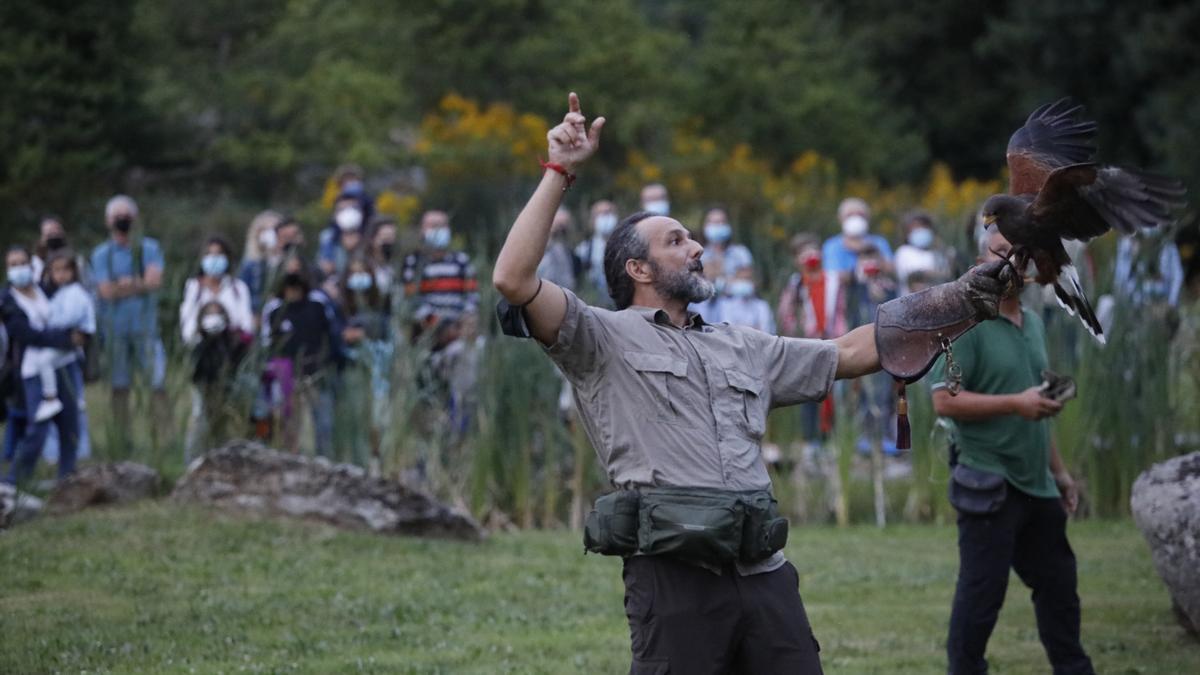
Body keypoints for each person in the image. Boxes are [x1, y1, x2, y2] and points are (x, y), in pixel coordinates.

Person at [492, 93, 1008, 673]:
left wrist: (964, 296)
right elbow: (513, 279)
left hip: (764, 576)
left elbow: (851, 350)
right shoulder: (598, 338)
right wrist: (562, 171)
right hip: (676, 581)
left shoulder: (742, 343)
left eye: (693, 238)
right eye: (677, 240)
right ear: (638, 270)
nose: (698, 247)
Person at [930, 227, 1094, 675]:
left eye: (1021, 254)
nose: (1012, 263)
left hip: (1037, 484)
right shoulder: (966, 323)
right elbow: (944, 400)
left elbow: (1035, 406)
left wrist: (1059, 473)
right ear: (982, 259)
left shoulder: (1035, 323)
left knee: (1060, 588)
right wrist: (1015, 404)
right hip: (987, 479)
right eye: (1001, 253)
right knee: (982, 598)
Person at [2, 245, 86, 485]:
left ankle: (67, 477)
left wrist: (81, 336)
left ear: (31, 265)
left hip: (64, 365)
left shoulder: (45, 290)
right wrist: (66, 340)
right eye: (13, 264)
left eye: (22, 263)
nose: (18, 268)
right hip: (34, 370)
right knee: (37, 430)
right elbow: (26, 334)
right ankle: (14, 482)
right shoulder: (7, 301)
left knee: (70, 424)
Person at [90, 195, 166, 430]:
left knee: (157, 383)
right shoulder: (101, 253)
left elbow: (154, 282)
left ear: (135, 218)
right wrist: (138, 283)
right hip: (114, 330)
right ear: (107, 221)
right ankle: (123, 436)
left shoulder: (150, 247)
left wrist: (123, 284)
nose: (122, 220)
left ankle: (163, 436)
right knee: (119, 386)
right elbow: (105, 291)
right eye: (117, 216)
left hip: (146, 328)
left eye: (126, 215)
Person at [261, 265, 342, 456]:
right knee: (287, 423)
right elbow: (267, 346)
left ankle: (325, 462)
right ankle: (288, 459)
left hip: (317, 374)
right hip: (286, 376)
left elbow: (331, 337)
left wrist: (326, 365)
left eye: (296, 286)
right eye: (288, 286)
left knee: (323, 424)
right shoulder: (274, 310)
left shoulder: (317, 305)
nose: (292, 291)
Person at [777, 234, 846, 444]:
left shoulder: (834, 281)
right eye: (803, 253)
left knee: (837, 393)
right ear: (796, 259)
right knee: (809, 393)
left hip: (834, 343)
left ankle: (835, 438)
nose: (810, 256)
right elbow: (786, 315)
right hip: (806, 345)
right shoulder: (795, 285)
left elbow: (842, 311)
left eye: (813, 250)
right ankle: (811, 441)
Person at [21, 252, 96, 423]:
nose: (61, 275)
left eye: (65, 270)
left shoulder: (75, 292)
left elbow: (68, 318)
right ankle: (73, 399)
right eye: (56, 271)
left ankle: (51, 398)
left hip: (72, 339)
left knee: (44, 361)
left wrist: (48, 326)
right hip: (63, 339)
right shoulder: (58, 292)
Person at [337, 256, 393, 467]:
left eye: (363, 272)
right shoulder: (339, 308)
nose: (358, 277)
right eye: (354, 272)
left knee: (379, 422)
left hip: (379, 376)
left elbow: (388, 334)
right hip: (351, 374)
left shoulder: (382, 307)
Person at [401, 210, 479, 343]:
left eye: (441, 226)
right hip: (426, 334)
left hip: (460, 330)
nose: (438, 230)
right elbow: (412, 300)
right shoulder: (413, 262)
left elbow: (472, 296)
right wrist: (438, 325)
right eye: (433, 226)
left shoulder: (461, 261)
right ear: (422, 230)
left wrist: (466, 321)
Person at [184, 301, 250, 459]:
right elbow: (195, 375)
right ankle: (193, 460)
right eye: (209, 314)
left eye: (217, 314)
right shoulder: (199, 345)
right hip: (205, 391)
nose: (214, 318)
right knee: (201, 422)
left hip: (228, 392)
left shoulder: (234, 343)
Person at [180, 237, 254, 346]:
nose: (214, 258)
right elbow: (187, 322)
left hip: (231, 349)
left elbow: (246, 324)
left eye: (219, 254)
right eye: (209, 254)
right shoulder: (194, 287)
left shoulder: (238, 288)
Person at [821, 197, 893, 281]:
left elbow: (891, 270)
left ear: (867, 218)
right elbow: (833, 275)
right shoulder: (832, 245)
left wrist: (872, 251)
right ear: (840, 219)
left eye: (860, 215)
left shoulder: (879, 242)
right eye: (850, 215)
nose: (855, 218)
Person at [238, 210, 286, 316]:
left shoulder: (288, 263)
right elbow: (243, 295)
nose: (269, 234)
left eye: (273, 229)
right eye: (265, 230)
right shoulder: (250, 265)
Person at [698, 207, 754, 294]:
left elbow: (747, 280)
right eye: (714, 223)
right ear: (705, 226)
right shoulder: (700, 254)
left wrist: (717, 280)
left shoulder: (740, 252)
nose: (718, 226)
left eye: (721, 222)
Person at [894, 210, 950, 295]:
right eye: (916, 227)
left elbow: (947, 275)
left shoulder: (938, 252)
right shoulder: (904, 252)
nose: (920, 230)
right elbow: (911, 276)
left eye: (923, 226)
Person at [708, 266, 774, 333]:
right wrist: (753, 328)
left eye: (747, 279)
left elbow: (765, 331)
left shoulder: (762, 306)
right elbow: (728, 331)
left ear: (754, 282)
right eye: (741, 279)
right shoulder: (726, 304)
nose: (744, 283)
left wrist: (740, 329)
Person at [318, 193, 368, 279]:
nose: (348, 213)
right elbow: (325, 268)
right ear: (335, 214)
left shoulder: (369, 235)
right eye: (342, 209)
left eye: (352, 208)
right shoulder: (328, 237)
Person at [575, 200, 618, 297]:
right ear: (593, 220)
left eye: (608, 212)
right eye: (600, 214)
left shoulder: (628, 245)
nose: (605, 217)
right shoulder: (583, 250)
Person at [537, 208, 578, 291]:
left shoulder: (569, 251)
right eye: (559, 224)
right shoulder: (539, 249)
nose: (561, 229)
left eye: (565, 224)